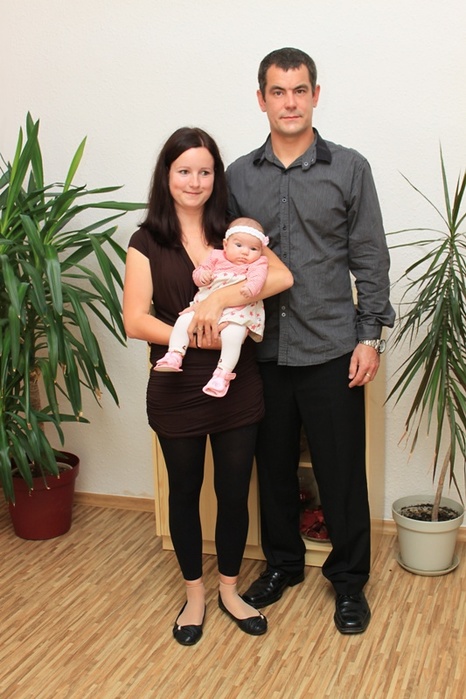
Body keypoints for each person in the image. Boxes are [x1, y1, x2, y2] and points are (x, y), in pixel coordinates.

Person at [196, 47, 395, 634]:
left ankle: (349, 582)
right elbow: (220, 255)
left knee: (341, 472)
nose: (290, 102)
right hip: (262, 349)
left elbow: (370, 256)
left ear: (315, 95)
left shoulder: (350, 168)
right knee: (273, 468)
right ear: (261, 99)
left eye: (299, 90)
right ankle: (282, 564)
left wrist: (369, 336)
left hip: (332, 346)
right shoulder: (238, 175)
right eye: (278, 92)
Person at [123, 126, 293, 645]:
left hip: (236, 382)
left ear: (215, 177)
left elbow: (281, 277)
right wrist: (198, 335)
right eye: (184, 171)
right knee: (184, 491)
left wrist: (217, 302)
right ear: (166, 175)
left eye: (204, 171)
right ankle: (194, 594)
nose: (194, 181)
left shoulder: (234, 231)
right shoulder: (146, 241)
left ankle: (230, 589)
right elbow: (135, 320)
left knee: (234, 491)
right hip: (176, 382)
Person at [155, 216, 269, 398]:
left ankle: (222, 374)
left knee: (233, 336)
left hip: (238, 311)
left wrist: (251, 288)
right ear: (225, 244)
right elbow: (198, 273)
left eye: (253, 248)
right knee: (183, 320)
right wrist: (203, 276)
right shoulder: (216, 256)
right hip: (205, 306)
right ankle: (174, 354)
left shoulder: (259, 263)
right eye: (238, 245)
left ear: (261, 251)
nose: (245, 252)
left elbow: (259, 278)